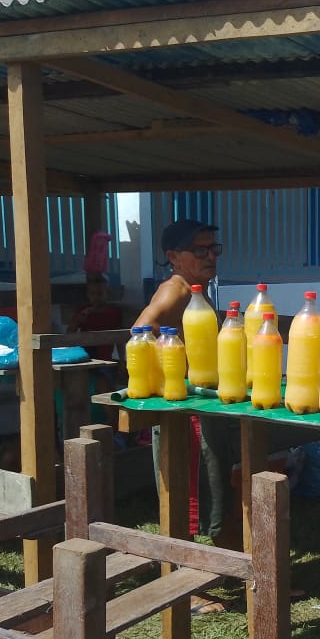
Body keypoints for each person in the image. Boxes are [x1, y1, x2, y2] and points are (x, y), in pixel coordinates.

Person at [133, 220, 237, 611]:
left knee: (215, 488)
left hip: (202, 408)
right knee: (187, 497)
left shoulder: (195, 293)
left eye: (215, 249)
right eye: (201, 250)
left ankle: (221, 569)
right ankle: (186, 588)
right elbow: (143, 328)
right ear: (174, 257)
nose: (210, 256)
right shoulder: (173, 289)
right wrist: (171, 375)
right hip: (185, 417)